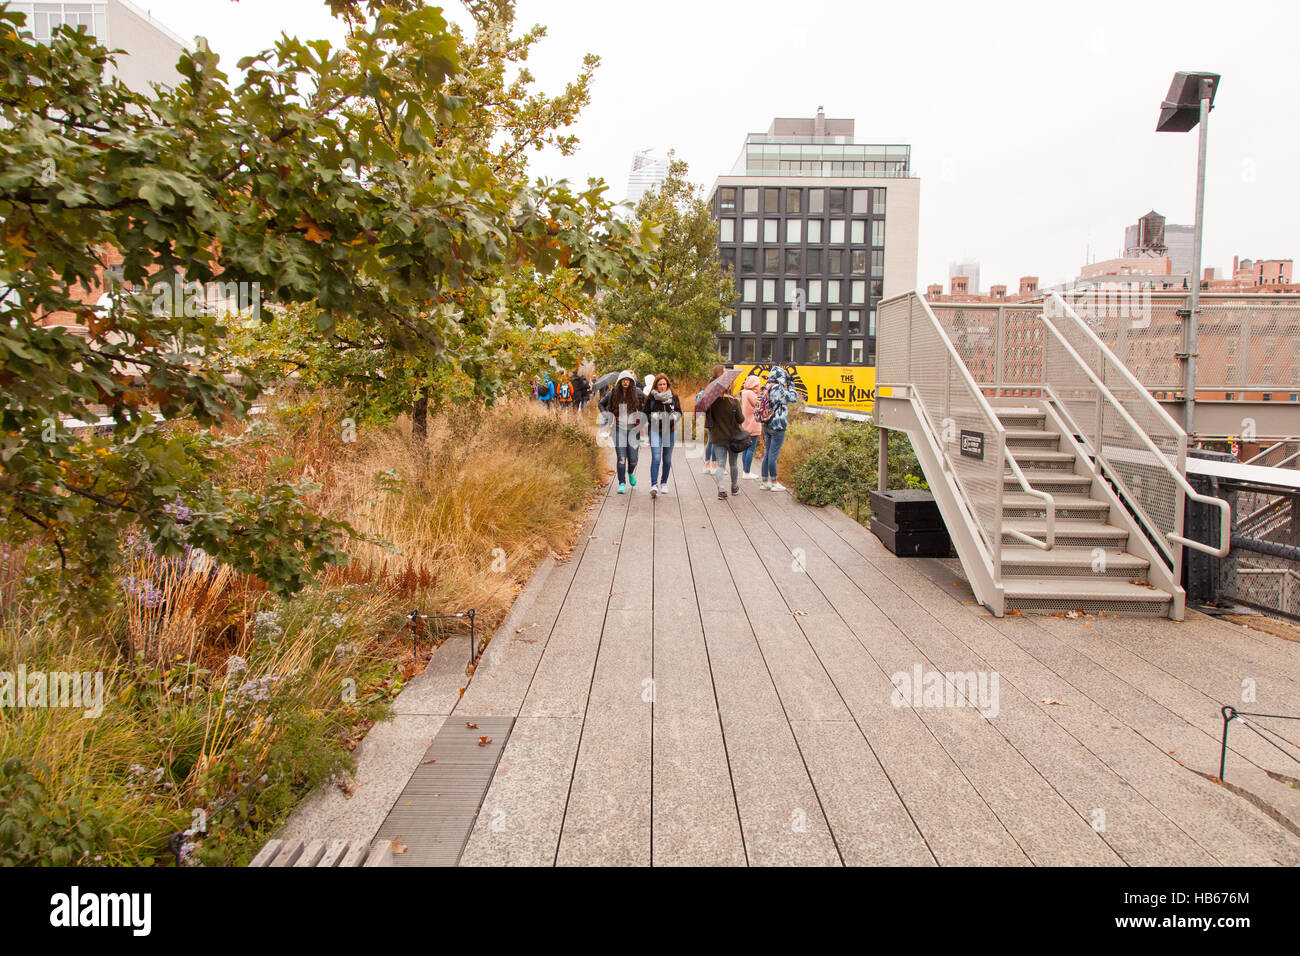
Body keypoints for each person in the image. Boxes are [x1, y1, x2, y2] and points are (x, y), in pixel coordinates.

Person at [600, 370, 641, 493]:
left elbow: (648, 402)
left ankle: (630, 472)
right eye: (623, 380)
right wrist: (607, 415)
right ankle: (622, 483)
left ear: (631, 382)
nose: (625, 382)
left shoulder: (637, 392)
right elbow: (601, 404)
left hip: (633, 429)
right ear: (620, 382)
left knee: (633, 458)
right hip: (618, 428)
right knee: (621, 457)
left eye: (628, 380)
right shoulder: (613, 393)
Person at [643, 373, 682, 499]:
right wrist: (652, 417)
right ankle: (654, 485)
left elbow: (679, 412)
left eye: (664, 384)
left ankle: (664, 482)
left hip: (669, 431)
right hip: (655, 430)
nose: (662, 387)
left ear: (667, 385)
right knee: (656, 457)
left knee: (667, 459)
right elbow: (645, 413)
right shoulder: (651, 398)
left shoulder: (674, 397)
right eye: (660, 384)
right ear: (656, 385)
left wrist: (674, 418)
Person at [759, 365, 797, 491]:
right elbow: (793, 397)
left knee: (767, 453)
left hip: (767, 423)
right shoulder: (778, 388)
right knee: (773, 455)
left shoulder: (767, 387)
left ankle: (765, 482)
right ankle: (774, 482)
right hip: (778, 425)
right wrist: (791, 384)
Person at [705, 388, 746, 500]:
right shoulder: (734, 402)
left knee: (721, 464)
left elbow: (710, 419)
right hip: (733, 438)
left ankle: (721, 490)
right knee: (733, 464)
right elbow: (741, 419)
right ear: (729, 388)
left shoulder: (712, 403)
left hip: (718, 438)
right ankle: (734, 487)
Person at [699, 363, 725, 475]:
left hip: (711, 417)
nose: (725, 372)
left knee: (710, 441)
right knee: (714, 441)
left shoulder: (711, 384)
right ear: (719, 372)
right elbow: (716, 403)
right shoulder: (717, 385)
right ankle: (714, 465)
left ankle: (707, 465)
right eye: (723, 370)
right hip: (715, 417)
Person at [738, 374, 763, 480]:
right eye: (758, 385)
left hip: (746, 424)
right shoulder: (751, 394)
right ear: (753, 385)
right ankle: (747, 472)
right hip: (753, 425)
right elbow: (760, 405)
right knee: (751, 449)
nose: (759, 387)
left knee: (745, 449)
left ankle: (745, 471)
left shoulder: (744, 393)